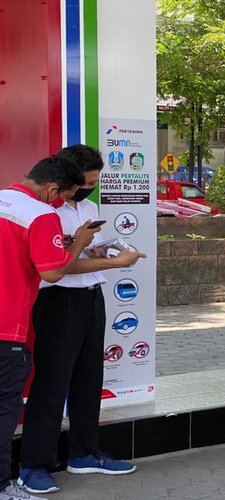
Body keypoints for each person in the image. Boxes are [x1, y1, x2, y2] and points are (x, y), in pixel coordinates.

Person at [17, 146, 146, 495]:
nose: (91, 186)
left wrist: (104, 251)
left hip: (91, 297)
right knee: (51, 383)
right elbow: (58, 267)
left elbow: (85, 253)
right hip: (58, 300)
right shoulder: (44, 211)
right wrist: (114, 264)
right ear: (65, 180)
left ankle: (85, 453)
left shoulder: (88, 208)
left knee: (89, 378)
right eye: (86, 181)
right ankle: (34, 466)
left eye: (95, 180)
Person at [0, 157, 100, 500]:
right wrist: (81, 242)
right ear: (53, 189)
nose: (60, 205)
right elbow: (53, 272)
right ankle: (4, 486)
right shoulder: (40, 215)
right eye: (63, 197)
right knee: (3, 410)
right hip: (8, 329)